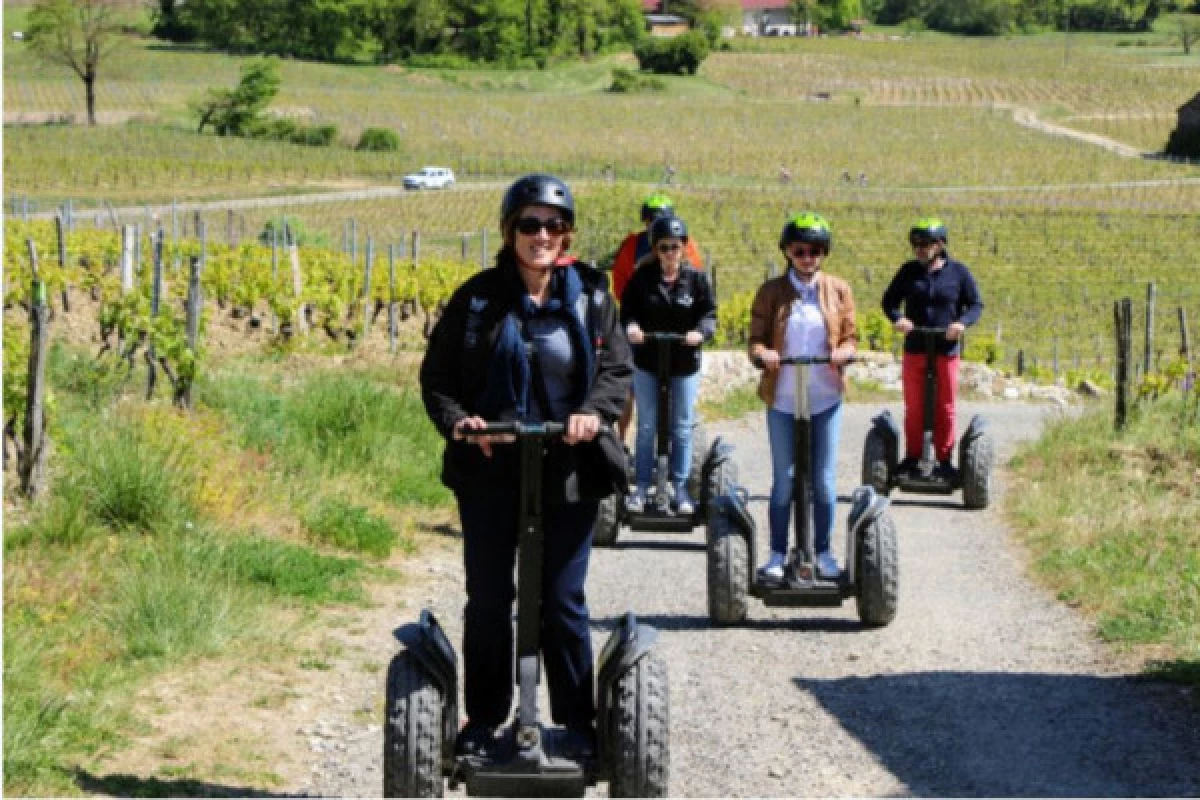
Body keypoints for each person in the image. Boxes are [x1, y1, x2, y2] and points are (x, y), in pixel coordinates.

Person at [420, 174, 633, 761]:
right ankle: (485, 719)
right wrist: (462, 422)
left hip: (569, 465)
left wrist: (592, 413)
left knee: (563, 598)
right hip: (492, 466)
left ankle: (575, 722)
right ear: (509, 230)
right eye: (530, 225)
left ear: (568, 234)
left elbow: (617, 369)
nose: (543, 235)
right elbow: (436, 379)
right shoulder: (477, 299)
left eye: (555, 225)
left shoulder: (591, 295)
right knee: (489, 597)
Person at [748, 213, 857, 583]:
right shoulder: (771, 292)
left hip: (824, 396)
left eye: (814, 251)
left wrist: (845, 351)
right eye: (799, 251)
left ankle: (823, 552)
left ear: (823, 253)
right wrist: (764, 353)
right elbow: (756, 339)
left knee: (824, 479)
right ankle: (778, 553)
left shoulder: (838, 290)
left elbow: (851, 336)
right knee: (785, 478)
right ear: (788, 252)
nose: (807, 258)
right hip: (783, 396)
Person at [619, 214, 717, 515]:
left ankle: (681, 488)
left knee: (682, 426)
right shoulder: (642, 279)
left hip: (684, 361)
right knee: (647, 424)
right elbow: (628, 312)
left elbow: (710, 315)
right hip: (648, 359)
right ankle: (642, 486)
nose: (670, 253)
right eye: (664, 247)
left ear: (684, 247)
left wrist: (699, 332)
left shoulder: (697, 280)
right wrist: (633, 328)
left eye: (675, 247)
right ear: (655, 249)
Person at [881, 216, 983, 480]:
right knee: (914, 406)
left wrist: (961, 323)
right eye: (915, 244)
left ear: (939, 244)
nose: (919, 249)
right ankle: (913, 456)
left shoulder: (958, 273)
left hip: (945, 348)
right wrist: (899, 319)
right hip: (916, 346)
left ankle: (945, 460)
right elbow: (889, 301)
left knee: (945, 406)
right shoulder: (908, 272)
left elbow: (976, 305)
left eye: (925, 244)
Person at [611, 192, 704, 441]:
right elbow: (620, 279)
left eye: (661, 217)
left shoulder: (686, 245)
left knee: (679, 389)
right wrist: (636, 309)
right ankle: (622, 439)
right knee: (629, 385)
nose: (655, 222)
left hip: (677, 329)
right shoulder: (632, 244)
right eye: (651, 218)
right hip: (640, 326)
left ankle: (676, 444)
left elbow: (695, 282)